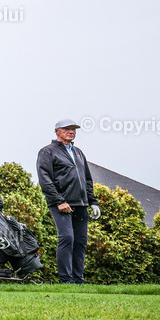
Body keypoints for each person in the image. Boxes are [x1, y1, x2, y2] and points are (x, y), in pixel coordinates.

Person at [36, 119, 100, 284]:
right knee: (67, 238)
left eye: (73, 129)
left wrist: (93, 201)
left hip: (81, 203)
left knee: (80, 241)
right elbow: (45, 179)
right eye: (67, 129)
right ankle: (66, 280)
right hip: (61, 204)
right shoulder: (47, 152)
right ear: (57, 131)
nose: (71, 131)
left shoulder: (78, 152)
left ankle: (78, 280)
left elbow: (87, 179)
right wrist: (59, 201)